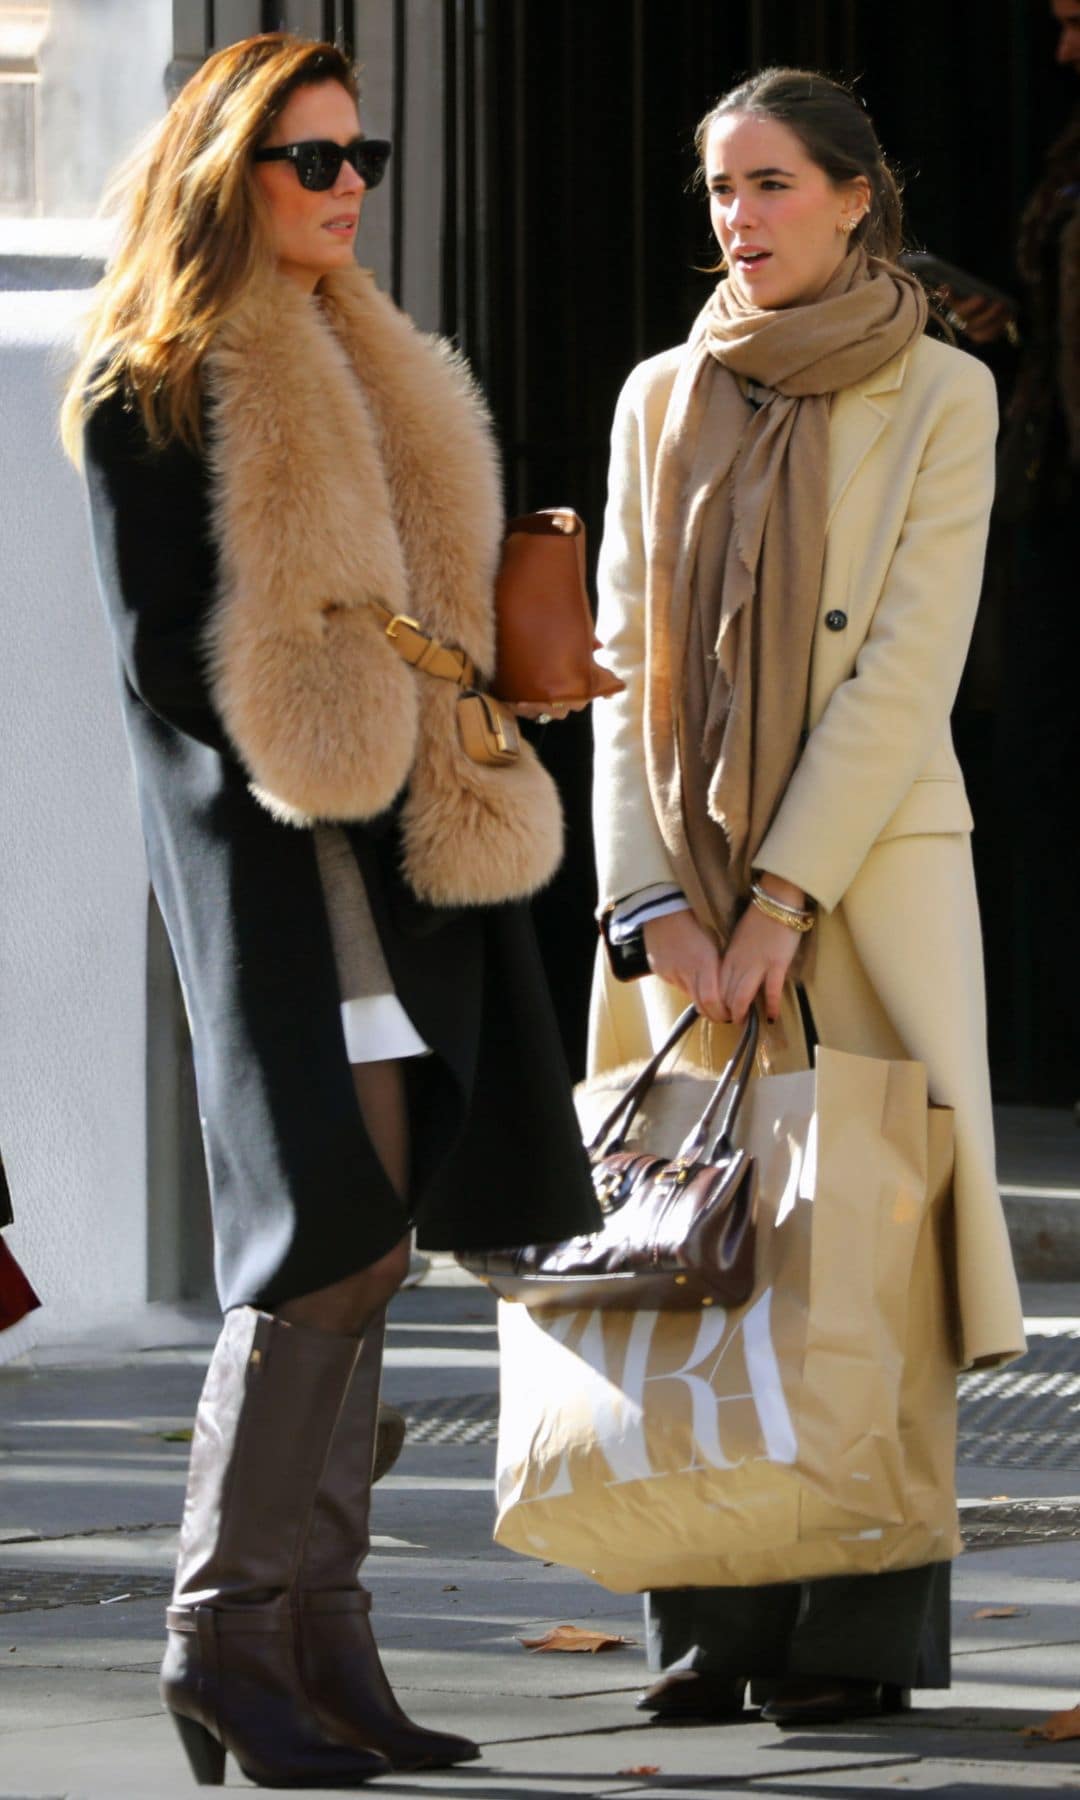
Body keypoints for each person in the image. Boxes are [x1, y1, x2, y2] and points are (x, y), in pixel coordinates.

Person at [61, 33, 598, 1789]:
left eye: (360, 149)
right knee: (329, 1236)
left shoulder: (382, 362)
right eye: (312, 156)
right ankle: (225, 1628)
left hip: (408, 848)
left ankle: (321, 1636)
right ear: (227, 174)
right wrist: (340, 710)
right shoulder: (156, 382)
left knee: (372, 1241)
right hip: (285, 855)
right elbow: (164, 661)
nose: (352, 178)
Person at [589, 66, 1025, 1730]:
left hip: (864, 888)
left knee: (869, 1259)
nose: (737, 219)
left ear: (856, 197)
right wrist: (654, 905)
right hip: (685, 908)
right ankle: (709, 1624)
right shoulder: (656, 399)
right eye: (720, 190)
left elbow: (908, 667)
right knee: (697, 1257)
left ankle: (852, 1636)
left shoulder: (944, 397)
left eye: (771, 186)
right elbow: (621, 674)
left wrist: (782, 897)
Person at [945, 0, 1080, 1101]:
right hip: (1056, 501)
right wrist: (1014, 326)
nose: (1064, 50)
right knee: (1039, 775)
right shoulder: (1069, 154)